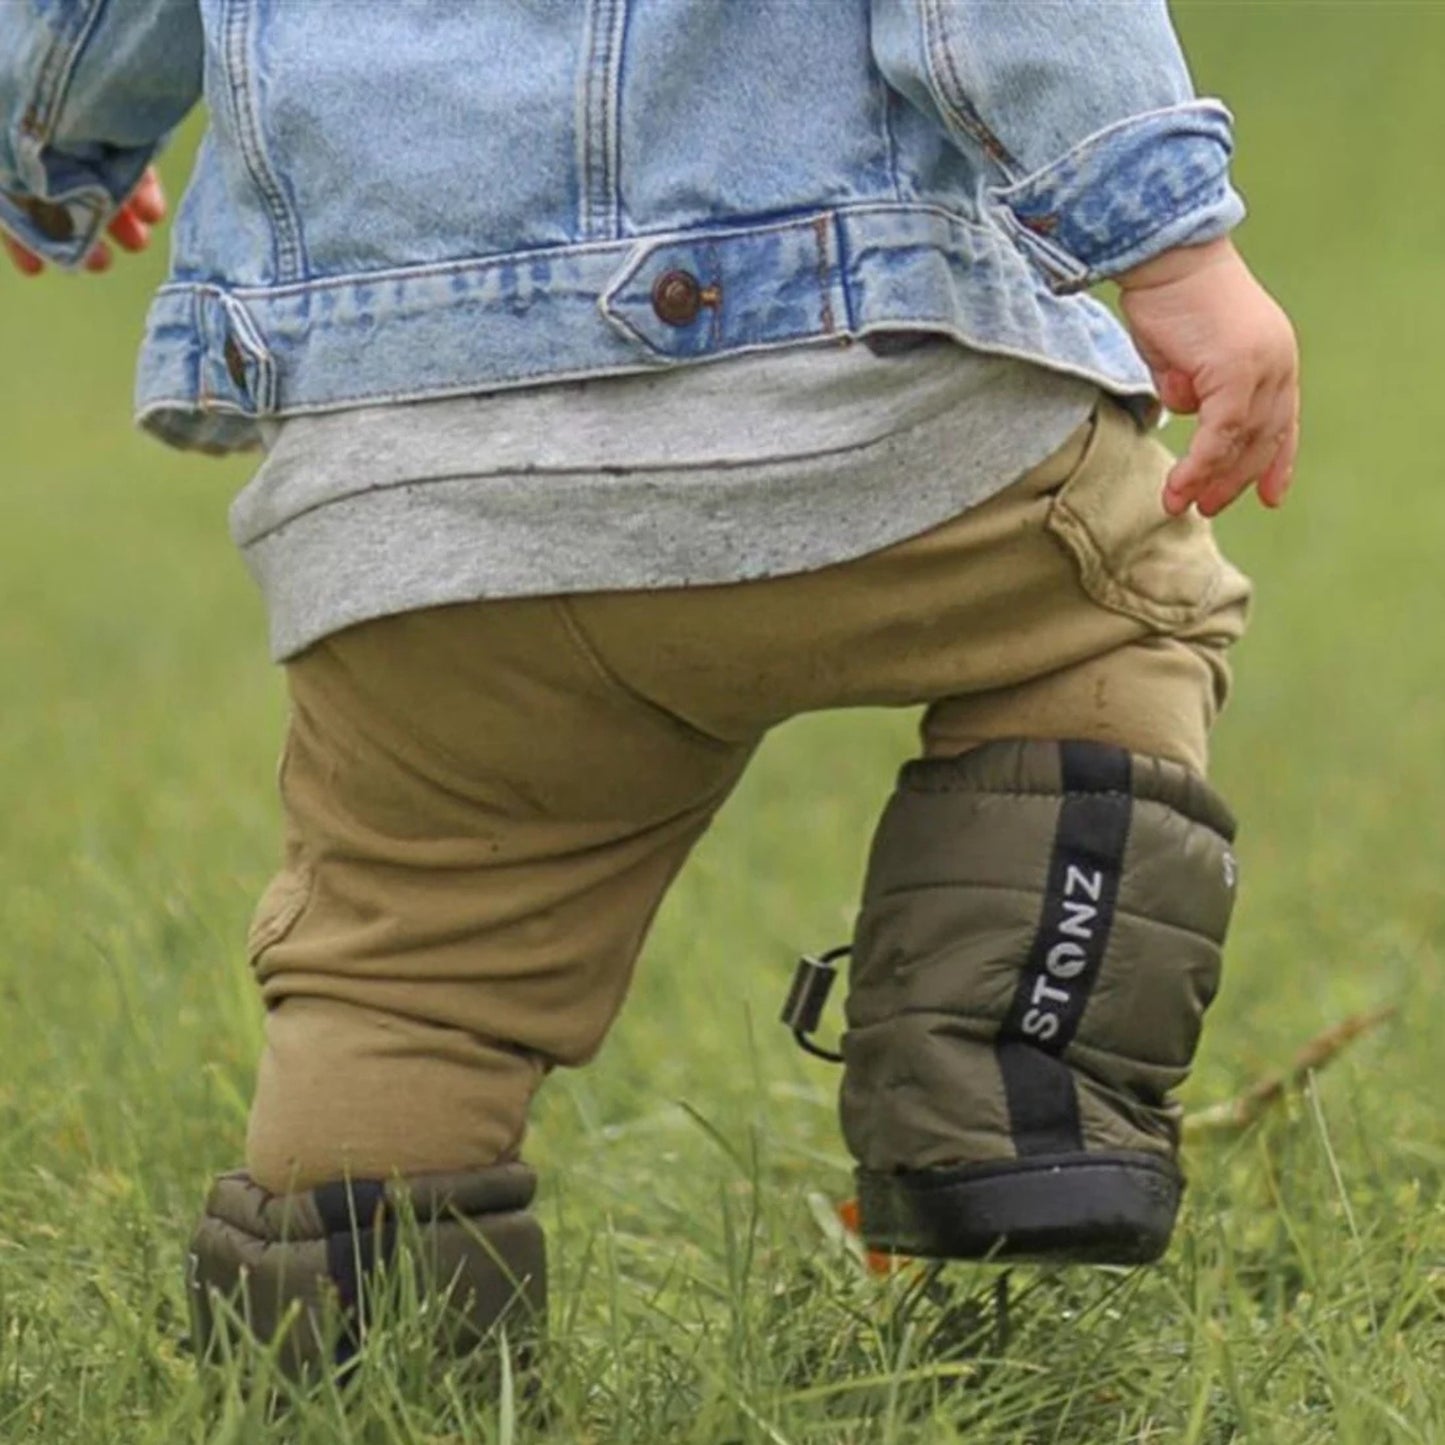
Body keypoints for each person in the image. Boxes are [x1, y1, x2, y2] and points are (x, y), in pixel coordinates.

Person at [2, 0, 1298, 1376]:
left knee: (412, 962)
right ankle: (1013, 1083)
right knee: (1116, 598)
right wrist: (1168, 240)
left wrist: (47, 146)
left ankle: (353, 1374)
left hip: (420, 489)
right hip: (857, 400)